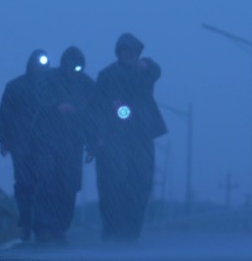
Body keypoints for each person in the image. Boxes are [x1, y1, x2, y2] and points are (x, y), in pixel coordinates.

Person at [90, 33, 167, 243]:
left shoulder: (144, 71)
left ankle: (132, 232)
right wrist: (98, 136)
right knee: (113, 183)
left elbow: (155, 70)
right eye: (123, 50)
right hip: (114, 136)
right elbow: (97, 107)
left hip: (141, 135)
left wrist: (145, 66)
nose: (127, 54)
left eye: (131, 51)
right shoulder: (107, 75)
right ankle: (113, 229)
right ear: (118, 52)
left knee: (140, 183)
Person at [33, 46, 96, 242]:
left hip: (73, 144)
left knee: (69, 186)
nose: (73, 70)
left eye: (77, 67)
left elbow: (93, 114)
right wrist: (56, 107)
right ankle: (43, 228)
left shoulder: (87, 84)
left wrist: (92, 143)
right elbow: (38, 101)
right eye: (70, 65)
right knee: (47, 183)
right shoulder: (48, 79)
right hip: (48, 142)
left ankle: (60, 228)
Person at [0, 49, 51, 241]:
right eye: (37, 63)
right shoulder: (15, 87)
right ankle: (26, 223)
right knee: (24, 184)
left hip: (45, 144)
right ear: (30, 64)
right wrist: (3, 139)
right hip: (20, 144)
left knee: (43, 183)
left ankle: (41, 225)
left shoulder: (52, 88)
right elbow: (5, 114)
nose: (40, 67)